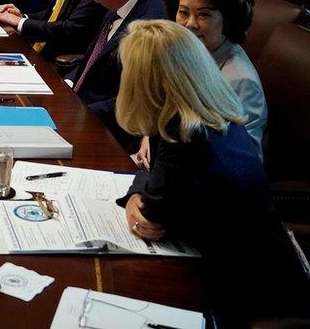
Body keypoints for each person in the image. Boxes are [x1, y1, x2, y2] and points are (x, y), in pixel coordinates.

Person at [115, 19, 310, 325]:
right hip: (273, 267)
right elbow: (155, 183)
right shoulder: (212, 112)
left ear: (147, 83)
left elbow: (152, 215)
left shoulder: (180, 132)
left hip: (246, 293)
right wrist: (138, 192)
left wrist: (136, 197)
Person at [66, 0, 167, 144]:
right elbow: (91, 60)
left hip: (107, 132)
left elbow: (135, 99)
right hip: (80, 106)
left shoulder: (147, 28)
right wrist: (66, 84)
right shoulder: (119, 2)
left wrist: (77, 113)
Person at [164, 0, 267, 149]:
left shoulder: (241, 82)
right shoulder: (185, 52)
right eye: (184, 12)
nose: (190, 24)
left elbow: (246, 162)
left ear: (228, 19)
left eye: (204, 14)